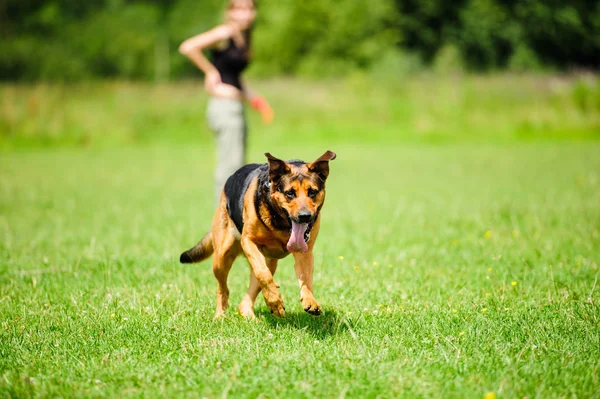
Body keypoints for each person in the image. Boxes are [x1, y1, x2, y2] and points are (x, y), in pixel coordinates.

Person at [178, 0, 273, 204]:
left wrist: (257, 101)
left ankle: (233, 218)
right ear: (229, 12)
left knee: (238, 166)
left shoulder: (243, 38)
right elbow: (188, 47)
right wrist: (211, 72)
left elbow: (236, 78)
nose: (245, 14)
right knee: (229, 169)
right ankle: (222, 222)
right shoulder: (225, 33)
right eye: (239, 9)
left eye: (249, 8)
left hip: (236, 106)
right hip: (224, 108)